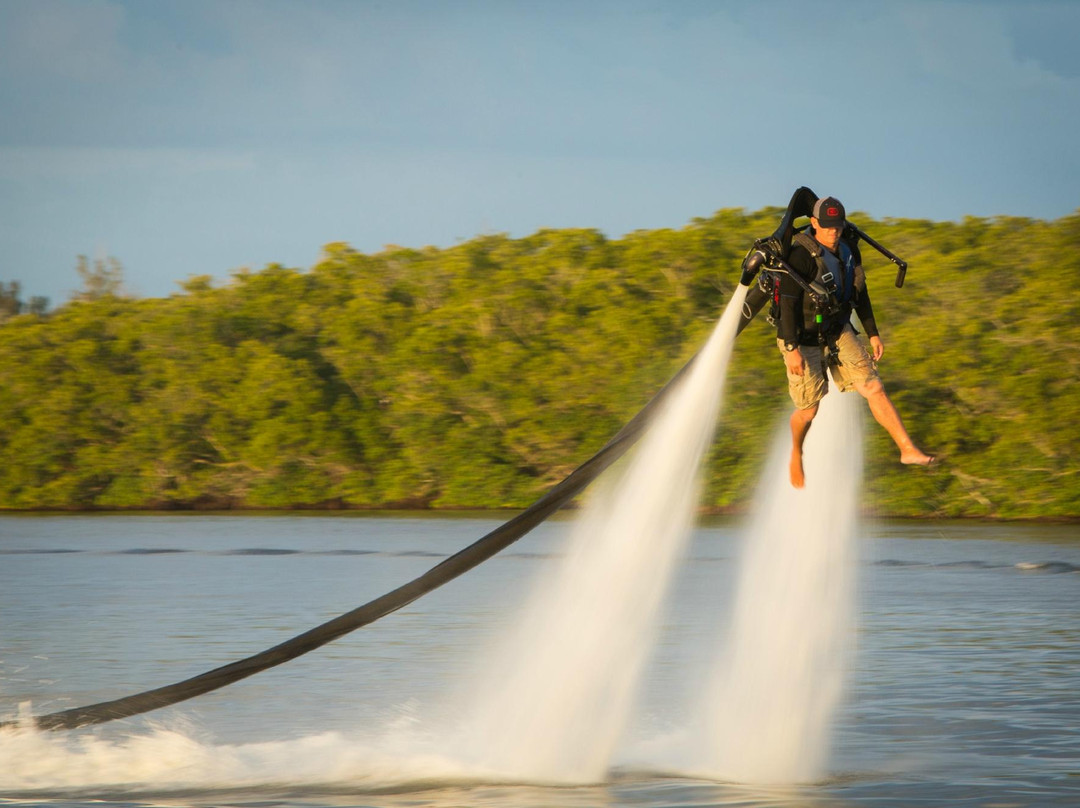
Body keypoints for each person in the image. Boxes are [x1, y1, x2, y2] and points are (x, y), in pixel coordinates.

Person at [777, 195, 935, 488]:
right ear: (814, 224)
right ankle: (796, 451)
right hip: (801, 337)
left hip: (837, 327)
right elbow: (786, 304)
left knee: (873, 386)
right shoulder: (800, 256)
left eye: (837, 226)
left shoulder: (849, 251)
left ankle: (907, 450)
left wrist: (873, 332)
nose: (833, 232)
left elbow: (859, 293)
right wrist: (790, 349)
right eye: (826, 227)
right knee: (809, 409)